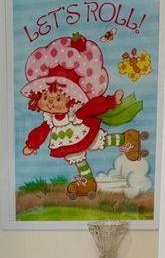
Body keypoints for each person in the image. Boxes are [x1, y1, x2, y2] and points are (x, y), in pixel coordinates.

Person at [20, 33, 143, 198]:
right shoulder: (49, 120)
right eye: (44, 97)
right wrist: (32, 144)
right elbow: (41, 131)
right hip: (66, 141)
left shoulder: (76, 113)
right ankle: (88, 182)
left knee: (98, 142)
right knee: (76, 157)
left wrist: (111, 101)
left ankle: (127, 138)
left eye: (57, 98)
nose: (50, 103)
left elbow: (94, 106)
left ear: (71, 98)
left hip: (81, 131)